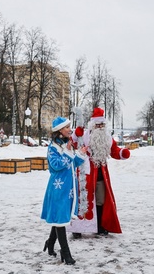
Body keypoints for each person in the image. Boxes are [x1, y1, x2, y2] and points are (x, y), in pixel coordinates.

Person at [69, 107, 130, 236]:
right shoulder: (84, 136)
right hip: (86, 173)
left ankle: (100, 226)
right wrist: (75, 135)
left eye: (102, 124)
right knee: (83, 199)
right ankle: (79, 228)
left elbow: (114, 150)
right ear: (93, 125)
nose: (101, 127)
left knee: (101, 200)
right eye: (98, 125)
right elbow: (72, 144)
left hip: (101, 174)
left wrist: (122, 153)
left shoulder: (107, 138)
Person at [41, 117, 87, 265]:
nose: (70, 129)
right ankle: (66, 254)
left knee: (59, 218)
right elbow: (56, 166)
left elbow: (72, 164)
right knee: (60, 220)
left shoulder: (67, 145)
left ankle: (50, 242)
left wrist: (80, 154)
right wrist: (68, 153)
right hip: (57, 189)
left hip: (68, 188)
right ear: (60, 130)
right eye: (67, 127)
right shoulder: (52, 148)